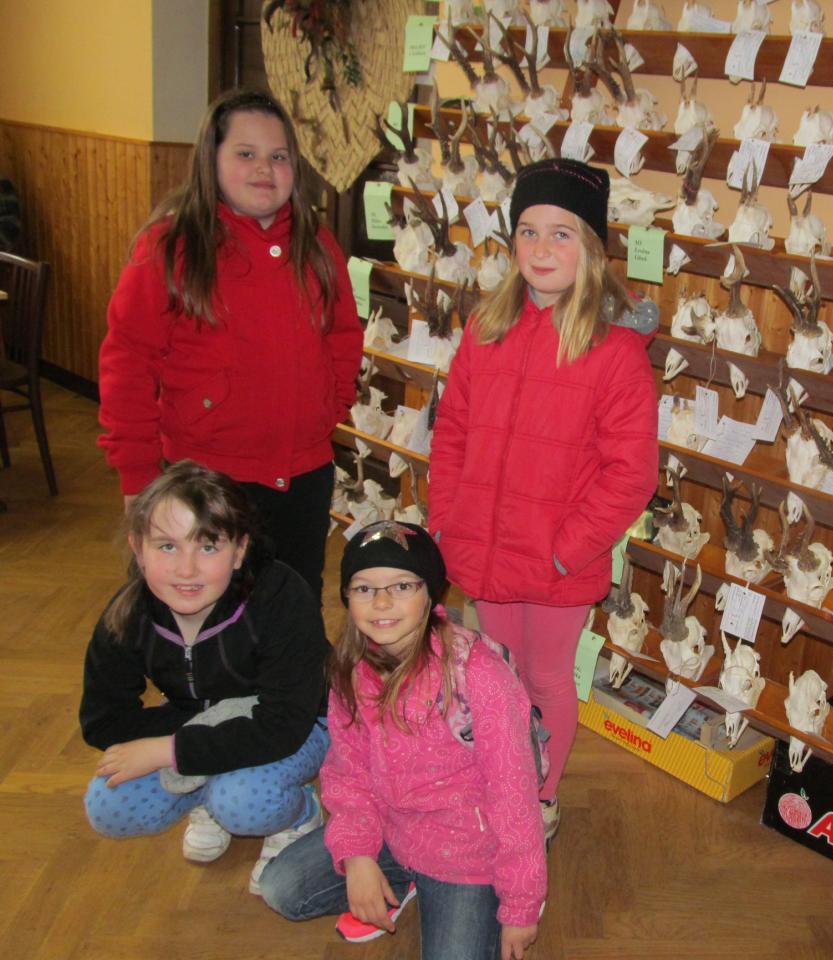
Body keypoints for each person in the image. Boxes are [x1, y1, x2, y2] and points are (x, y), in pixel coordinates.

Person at [426, 158, 658, 841]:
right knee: (496, 676)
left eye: (562, 233)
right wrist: (447, 520)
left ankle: (540, 794)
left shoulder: (615, 351)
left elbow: (631, 473)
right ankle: (501, 778)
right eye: (528, 232)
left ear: (591, 248)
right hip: (485, 546)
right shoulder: (486, 328)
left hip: (558, 561)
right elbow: (452, 433)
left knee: (548, 678)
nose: (541, 248)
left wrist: (566, 550)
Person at [97, 88, 363, 599]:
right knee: (204, 610)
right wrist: (137, 476)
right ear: (211, 160)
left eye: (278, 156)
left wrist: (327, 407)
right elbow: (127, 363)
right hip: (207, 479)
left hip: (303, 477)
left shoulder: (316, 245)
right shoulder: (171, 247)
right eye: (246, 153)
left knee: (292, 606)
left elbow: (343, 335)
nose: (264, 168)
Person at [258, 521, 546, 960]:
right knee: (281, 888)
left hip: (467, 855)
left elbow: (514, 795)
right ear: (347, 597)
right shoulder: (351, 668)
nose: (382, 602)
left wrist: (520, 906)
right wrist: (358, 856)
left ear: (430, 594)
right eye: (364, 588)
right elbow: (348, 773)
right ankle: (401, 880)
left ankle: (439, 890)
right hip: (391, 830)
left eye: (402, 586)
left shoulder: (478, 675)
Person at [80, 460, 330, 894]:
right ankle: (208, 792)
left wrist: (171, 750)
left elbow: (284, 724)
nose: (187, 569)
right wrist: (196, 737)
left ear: (240, 550)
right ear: (138, 549)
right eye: (167, 546)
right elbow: (102, 721)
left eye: (208, 546)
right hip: (202, 722)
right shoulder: (129, 613)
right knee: (107, 806)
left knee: (243, 800)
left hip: (302, 722)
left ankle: (299, 815)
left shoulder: (281, 596)